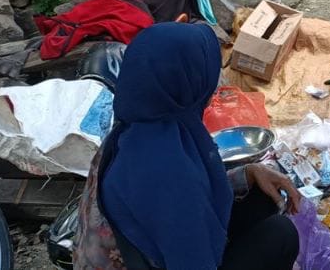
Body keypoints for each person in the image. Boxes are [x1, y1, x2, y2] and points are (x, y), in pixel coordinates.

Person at [74, 23, 301, 269]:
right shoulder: (168, 171)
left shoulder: (137, 126)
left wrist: (247, 174)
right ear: (188, 81)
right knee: (280, 235)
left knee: (260, 198)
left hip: (143, 248)